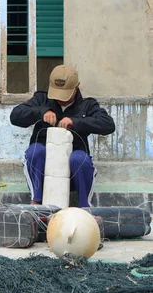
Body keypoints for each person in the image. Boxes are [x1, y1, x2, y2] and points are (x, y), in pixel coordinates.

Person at [10, 64, 115, 208]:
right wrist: (42, 112)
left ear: (77, 86)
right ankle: (37, 202)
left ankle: (85, 206)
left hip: (74, 174)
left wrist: (75, 122)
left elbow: (108, 125)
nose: (60, 99)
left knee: (79, 158)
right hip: (43, 172)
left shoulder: (88, 105)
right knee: (35, 151)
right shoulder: (42, 99)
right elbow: (16, 116)